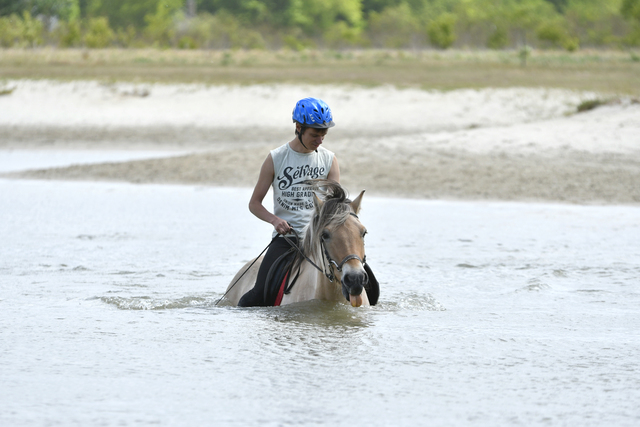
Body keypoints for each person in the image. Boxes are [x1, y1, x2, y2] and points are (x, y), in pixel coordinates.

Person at [238, 97, 340, 307]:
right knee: (258, 296)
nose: (320, 140)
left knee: (367, 281)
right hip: (287, 239)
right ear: (299, 127)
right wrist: (275, 221)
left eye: (323, 134)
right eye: (314, 134)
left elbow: (334, 207)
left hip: (321, 239)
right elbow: (254, 204)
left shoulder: (329, 159)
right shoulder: (276, 158)